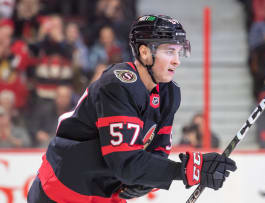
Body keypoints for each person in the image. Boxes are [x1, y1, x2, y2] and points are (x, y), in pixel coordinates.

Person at [27, 15, 237, 203]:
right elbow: (125, 164)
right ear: (145, 53)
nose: (177, 61)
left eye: (179, 52)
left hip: (104, 191)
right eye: (169, 51)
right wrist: (189, 169)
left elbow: (158, 152)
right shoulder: (117, 84)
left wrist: (146, 180)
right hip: (64, 187)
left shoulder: (169, 94)